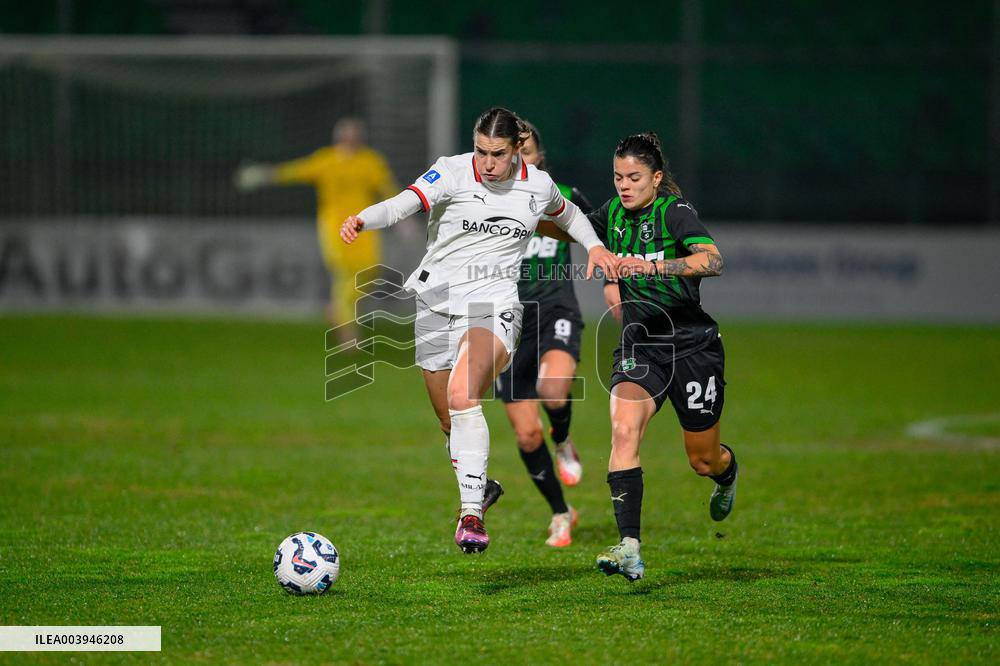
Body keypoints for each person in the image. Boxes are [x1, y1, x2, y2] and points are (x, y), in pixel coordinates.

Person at [339, 107, 618, 554]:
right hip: (435, 301)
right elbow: (401, 204)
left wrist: (597, 248)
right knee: (449, 420)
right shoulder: (450, 172)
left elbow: (569, 218)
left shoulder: (536, 185)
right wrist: (362, 219)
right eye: (482, 151)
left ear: (516, 151)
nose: (488, 163)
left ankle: (471, 514)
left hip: (494, 304)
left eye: (498, 154)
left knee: (462, 393)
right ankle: (481, 486)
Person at [587, 133, 737, 581]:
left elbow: (713, 261)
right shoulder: (610, 215)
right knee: (623, 428)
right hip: (641, 346)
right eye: (617, 177)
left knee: (703, 461)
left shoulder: (674, 211)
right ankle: (629, 546)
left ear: (655, 178)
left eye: (634, 177)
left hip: (694, 346)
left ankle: (727, 475)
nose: (624, 186)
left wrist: (653, 267)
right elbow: (560, 225)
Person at [494, 122, 591, 548]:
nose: (519, 161)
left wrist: (613, 278)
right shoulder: (485, 203)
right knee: (526, 435)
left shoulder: (563, 197)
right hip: (504, 320)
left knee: (553, 391)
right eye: (512, 154)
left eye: (527, 152)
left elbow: (605, 232)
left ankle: (565, 439)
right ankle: (560, 511)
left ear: (539, 156)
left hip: (555, 309)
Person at [235, 118, 398, 335]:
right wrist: (264, 174)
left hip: (364, 225)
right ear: (338, 138)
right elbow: (293, 171)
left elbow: (387, 189)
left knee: (369, 271)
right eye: (345, 135)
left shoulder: (370, 161)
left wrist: (403, 216)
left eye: (354, 135)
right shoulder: (326, 160)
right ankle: (347, 330)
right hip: (335, 226)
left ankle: (338, 310)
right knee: (344, 273)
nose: (349, 139)